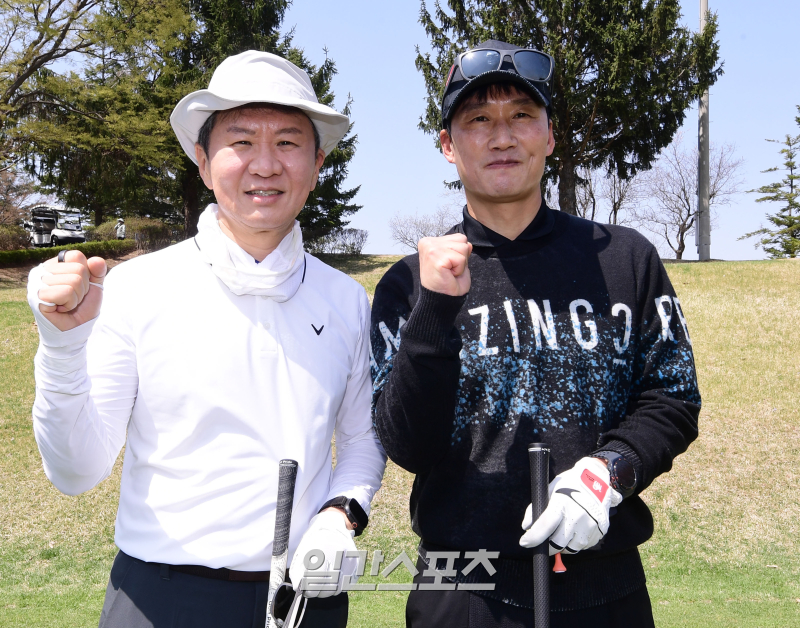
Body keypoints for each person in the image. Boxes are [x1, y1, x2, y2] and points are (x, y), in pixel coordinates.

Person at [27, 50, 386, 628]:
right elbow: (76, 472)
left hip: (304, 598)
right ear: (202, 160)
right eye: (241, 141)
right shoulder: (139, 287)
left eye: (288, 143)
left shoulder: (345, 299)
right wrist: (62, 348)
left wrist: (340, 514)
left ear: (317, 162)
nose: (265, 164)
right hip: (160, 599)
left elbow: (362, 438)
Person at [370, 40, 700, 627]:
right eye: (478, 120)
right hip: (461, 584)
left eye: (522, 115)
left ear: (549, 137)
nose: (502, 137)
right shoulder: (411, 283)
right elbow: (408, 447)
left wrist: (608, 473)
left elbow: (672, 398)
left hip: (606, 584)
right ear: (448, 145)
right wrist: (436, 312)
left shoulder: (626, 259)